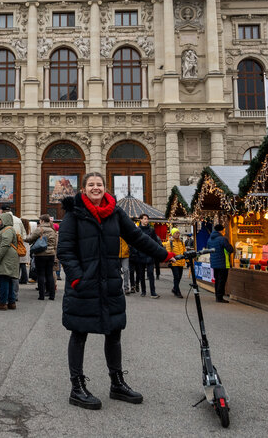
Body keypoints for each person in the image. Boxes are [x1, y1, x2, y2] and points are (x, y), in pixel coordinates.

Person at [58, 172, 172, 409]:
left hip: (109, 283)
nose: (95, 188)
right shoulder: (73, 213)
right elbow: (65, 251)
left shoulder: (115, 212)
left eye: (99, 184)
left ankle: (117, 383)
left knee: (114, 332)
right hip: (84, 284)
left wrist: (164, 254)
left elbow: (137, 237)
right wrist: (78, 278)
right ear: (83, 189)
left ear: (105, 187)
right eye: (91, 184)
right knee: (79, 333)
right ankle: (76, 387)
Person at [0, 212, 20, 310]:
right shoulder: (7, 229)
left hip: (5, 258)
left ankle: (3, 303)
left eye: (0, 220)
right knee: (8, 279)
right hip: (7, 258)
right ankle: (11, 302)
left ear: (5, 220)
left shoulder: (7, 230)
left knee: (4, 279)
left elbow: (5, 243)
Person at [26, 214, 58, 300]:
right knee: (49, 274)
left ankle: (41, 295)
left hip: (40, 254)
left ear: (42, 221)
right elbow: (55, 244)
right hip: (51, 254)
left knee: (41, 275)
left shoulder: (39, 229)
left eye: (40, 220)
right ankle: (52, 295)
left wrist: (23, 238)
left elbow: (30, 239)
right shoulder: (52, 230)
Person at [207, 223, 235, 303]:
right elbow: (230, 249)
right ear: (221, 230)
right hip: (223, 263)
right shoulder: (222, 239)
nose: (224, 231)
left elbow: (208, 248)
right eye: (224, 230)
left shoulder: (210, 239)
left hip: (214, 263)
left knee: (217, 280)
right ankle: (220, 297)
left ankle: (217, 296)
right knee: (222, 280)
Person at [134, 215, 160, 298]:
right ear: (141, 220)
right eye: (144, 219)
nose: (146, 220)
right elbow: (134, 242)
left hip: (150, 254)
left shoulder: (151, 230)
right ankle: (143, 291)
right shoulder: (137, 230)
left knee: (151, 274)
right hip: (140, 255)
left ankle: (153, 292)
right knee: (141, 274)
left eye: (147, 219)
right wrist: (136, 252)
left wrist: (154, 251)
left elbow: (155, 241)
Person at [166, 228, 186, 298]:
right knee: (176, 277)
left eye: (178, 233)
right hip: (174, 262)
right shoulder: (169, 242)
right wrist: (171, 259)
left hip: (181, 262)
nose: (178, 234)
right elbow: (168, 252)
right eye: (176, 233)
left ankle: (174, 288)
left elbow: (184, 252)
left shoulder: (182, 242)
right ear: (172, 234)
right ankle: (178, 291)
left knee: (179, 277)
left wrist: (187, 261)